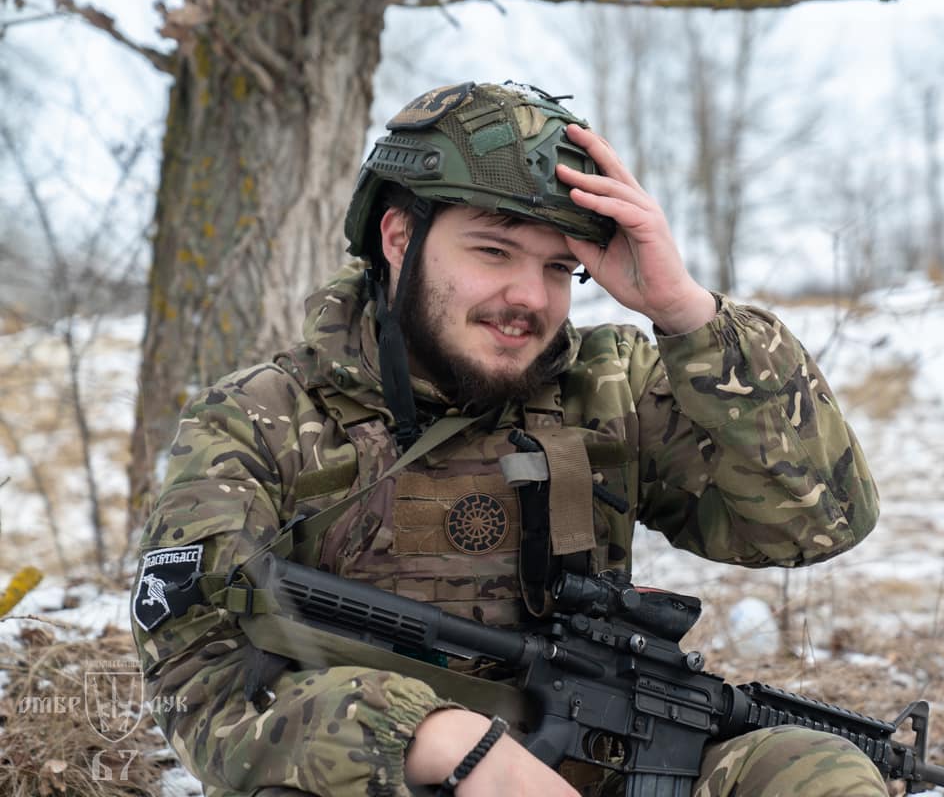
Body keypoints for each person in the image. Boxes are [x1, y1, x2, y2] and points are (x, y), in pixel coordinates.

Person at [131, 81, 884, 797]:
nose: (529, 298)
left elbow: (816, 522)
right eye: (493, 252)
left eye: (559, 268)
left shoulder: (608, 386)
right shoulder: (261, 418)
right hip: (387, 772)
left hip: (600, 757)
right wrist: (435, 738)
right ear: (399, 238)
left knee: (811, 769)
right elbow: (199, 680)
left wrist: (688, 314)